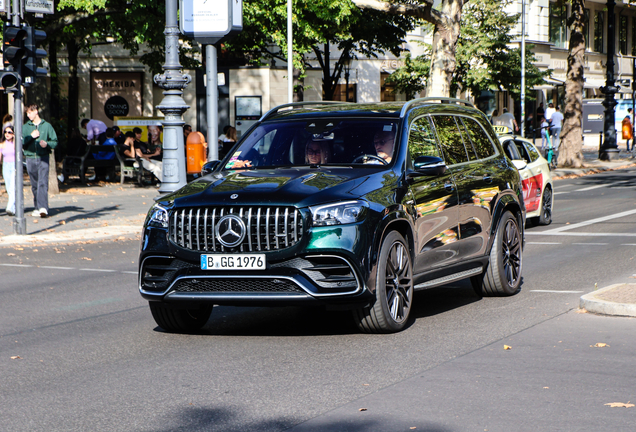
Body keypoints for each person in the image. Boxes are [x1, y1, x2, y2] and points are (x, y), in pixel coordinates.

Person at [23, 104, 58, 218]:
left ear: (36, 111)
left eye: (29, 113)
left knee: (42, 182)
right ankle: (37, 207)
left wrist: (47, 144)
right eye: (27, 113)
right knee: (34, 184)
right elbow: (21, 142)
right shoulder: (25, 127)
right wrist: (31, 136)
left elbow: (55, 141)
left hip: (43, 157)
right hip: (30, 158)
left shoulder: (47, 126)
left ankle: (43, 207)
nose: (28, 116)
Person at [0, 125, 16, 216]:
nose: (7, 134)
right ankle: (14, 208)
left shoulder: (15, 144)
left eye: (9, 132)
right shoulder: (2, 144)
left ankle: (10, 207)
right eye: (5, 132)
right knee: (8, 188)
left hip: (14, 165)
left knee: (12, 187)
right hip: (5, 166)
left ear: (13, 134)